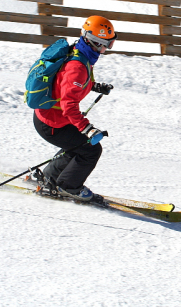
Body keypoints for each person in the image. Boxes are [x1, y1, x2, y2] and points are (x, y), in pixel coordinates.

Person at [32, 15, 117, 203]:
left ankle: (50, 178)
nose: (106, 49)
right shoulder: (78, 66)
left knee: (77, 145)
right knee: (90, 149)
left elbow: (67, 83)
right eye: (107, 44)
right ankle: (69, 187)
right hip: (53, 122)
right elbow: (68, 106)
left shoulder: (78, 51)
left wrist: (94, 86)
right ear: (95, 42)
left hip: (48, 117)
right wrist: (87, 129)